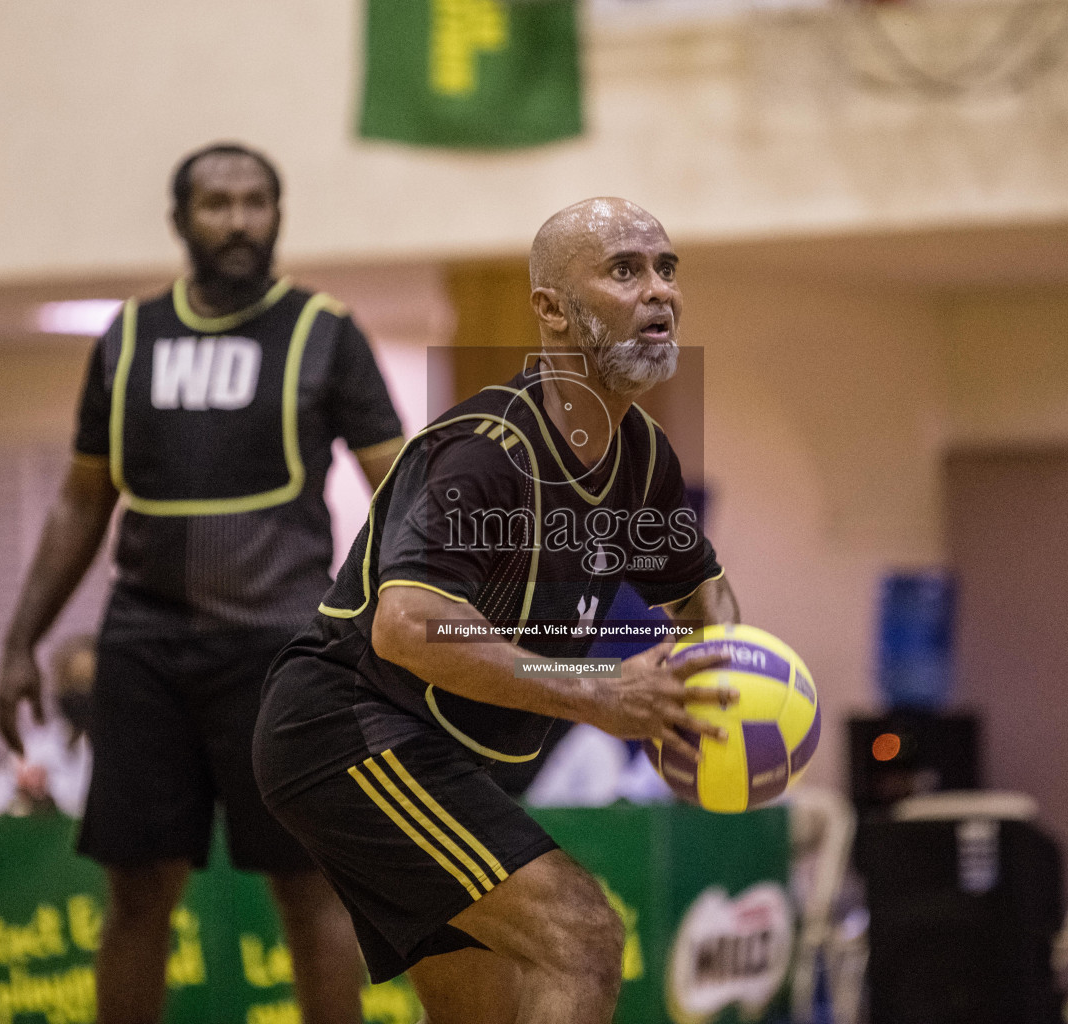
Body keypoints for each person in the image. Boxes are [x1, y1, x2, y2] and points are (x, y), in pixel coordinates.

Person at [254, 197, 741, 1024]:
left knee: (486, 1005)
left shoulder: (643, 456)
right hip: (348, 734)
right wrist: (596, 690)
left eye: (667, 269)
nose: (660, 291)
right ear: (550, 308)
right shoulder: (488, 450)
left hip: (432, 753)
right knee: (580, 936)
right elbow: (407, 625)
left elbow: (703, 592)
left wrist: (706, 699)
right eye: (625, 270)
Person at [0, 143, 404, 1024]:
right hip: (146, 643)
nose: (238, 220)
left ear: (278, 216)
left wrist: (397, 622)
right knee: (138, 895)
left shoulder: (324, 331)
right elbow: (79, 502)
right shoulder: (131, 336)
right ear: (180, 219)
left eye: (256, 201)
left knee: (310, 890)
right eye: (217, 203)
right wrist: (20, 638)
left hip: (284, 645)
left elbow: (401, 493)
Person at [0, 633, 94, 817]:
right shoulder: (34, 748)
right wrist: (21, 799)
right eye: (68, 683)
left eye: (84, 683)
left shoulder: (127, 750)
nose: (76, 693)